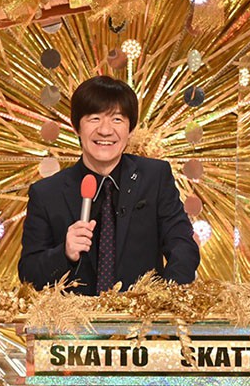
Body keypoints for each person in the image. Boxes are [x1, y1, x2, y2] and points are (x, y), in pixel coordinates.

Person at [19, 76, 200, 295]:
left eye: (117, 119)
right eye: (94, 118)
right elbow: (28, 274)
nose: (105, 130)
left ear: (130, 129)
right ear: (76, 126)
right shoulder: (46, 193)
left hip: (142, 314)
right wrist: (64, 253)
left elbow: (182, 245)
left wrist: (166, 298)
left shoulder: (155, 177)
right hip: (74, 316)